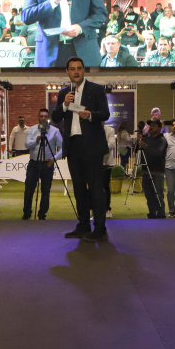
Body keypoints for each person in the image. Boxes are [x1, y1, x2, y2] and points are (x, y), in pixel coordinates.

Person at [52, 57, 111, 240]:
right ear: (67, 72)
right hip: (73, 146)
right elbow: (55, 117)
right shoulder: (64, 93)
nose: (76, 71)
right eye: (72, 69)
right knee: (78, 188)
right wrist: (65, 105)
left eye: (79, 68)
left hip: (92, 146)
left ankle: (99, 228)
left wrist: (91, 115)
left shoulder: (96, 89)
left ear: (84, 70)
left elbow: (106, 113)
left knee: (95, 188)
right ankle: (83, 225)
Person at [22, 109, 63, 221]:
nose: (43, 118)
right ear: (38, 117)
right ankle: (26, 212)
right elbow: (27, 144)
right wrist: (36, 140)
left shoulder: (55, 131)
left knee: (46, 190)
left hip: (47, 164)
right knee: (29, 188)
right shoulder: (32, 129)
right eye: (41, 116)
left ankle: (42, 214)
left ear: (48, 117)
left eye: (45, 116)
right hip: (34, 163)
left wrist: (53, 159)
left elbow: (62, 148)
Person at [140, 119, 167, 219]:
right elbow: (139, 151)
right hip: (146, 170)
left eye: (154, 126)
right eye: (150, 125)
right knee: (148, 194)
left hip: (157, 170)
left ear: (160, 128)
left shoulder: (162, 140)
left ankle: (161, 213)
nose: (151, 127)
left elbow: (158, 153)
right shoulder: (146, 138)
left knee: (158, 193)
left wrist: (145, 145)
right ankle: (152, 212)